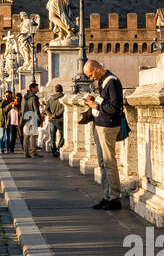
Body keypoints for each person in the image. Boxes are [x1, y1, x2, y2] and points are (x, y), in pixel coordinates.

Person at [77, 60, 123, 210]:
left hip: (108, 126)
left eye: (91, 75)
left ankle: (115, 198)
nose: (91, 78)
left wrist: (96, 106)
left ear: (97, 69)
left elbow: (115, 106)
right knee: (103, 163)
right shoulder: (102, 81)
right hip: (100, 124)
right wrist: (94, 101)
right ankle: (106, 195)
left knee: (109, 163)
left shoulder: (112, 82)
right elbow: (105, 102)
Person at [44, 84, 66, 157]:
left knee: (52, 136)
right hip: (59, 119)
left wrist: (51, 115)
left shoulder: (51, 98)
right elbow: (63, 109)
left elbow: (46, 109)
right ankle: (58, 148)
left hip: (51, 120)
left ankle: (53, 151)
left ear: (55, 90)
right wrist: (56, 115)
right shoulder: (63, 98)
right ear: (61, 89)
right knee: (63, 134)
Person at [21, 83, 41, 158]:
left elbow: (22, 109)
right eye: (36, 88)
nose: (38, 90)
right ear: (32, 89)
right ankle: (33, 152)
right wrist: (40, 119)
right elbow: (36, 110)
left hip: (25, 119)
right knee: (33, 136)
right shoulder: (34, 98)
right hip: (33, 119)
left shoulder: (24, 97)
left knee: (26, 137)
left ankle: (26, 153)